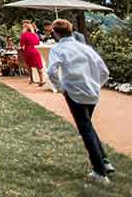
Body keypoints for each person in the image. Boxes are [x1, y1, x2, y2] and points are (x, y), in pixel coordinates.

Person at [46, 19, 114, 184]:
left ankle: (100, 171)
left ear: (55, 33)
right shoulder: (85, 48)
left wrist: (60, 88)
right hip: (92, 92)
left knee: (85, 130)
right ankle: (104, 161)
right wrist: (97, 85)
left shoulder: (58, 49)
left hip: (74, 93)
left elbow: (51, 71)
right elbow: (104, 71)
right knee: (88, 125)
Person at [19, 21, 45, 85]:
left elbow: (21, 44)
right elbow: (38, 42)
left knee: (29, 66)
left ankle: (31, 80)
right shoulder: (35, 34)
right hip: (35, 50)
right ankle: (41, 79)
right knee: (38, 65)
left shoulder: (24, 35)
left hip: (28, 51)